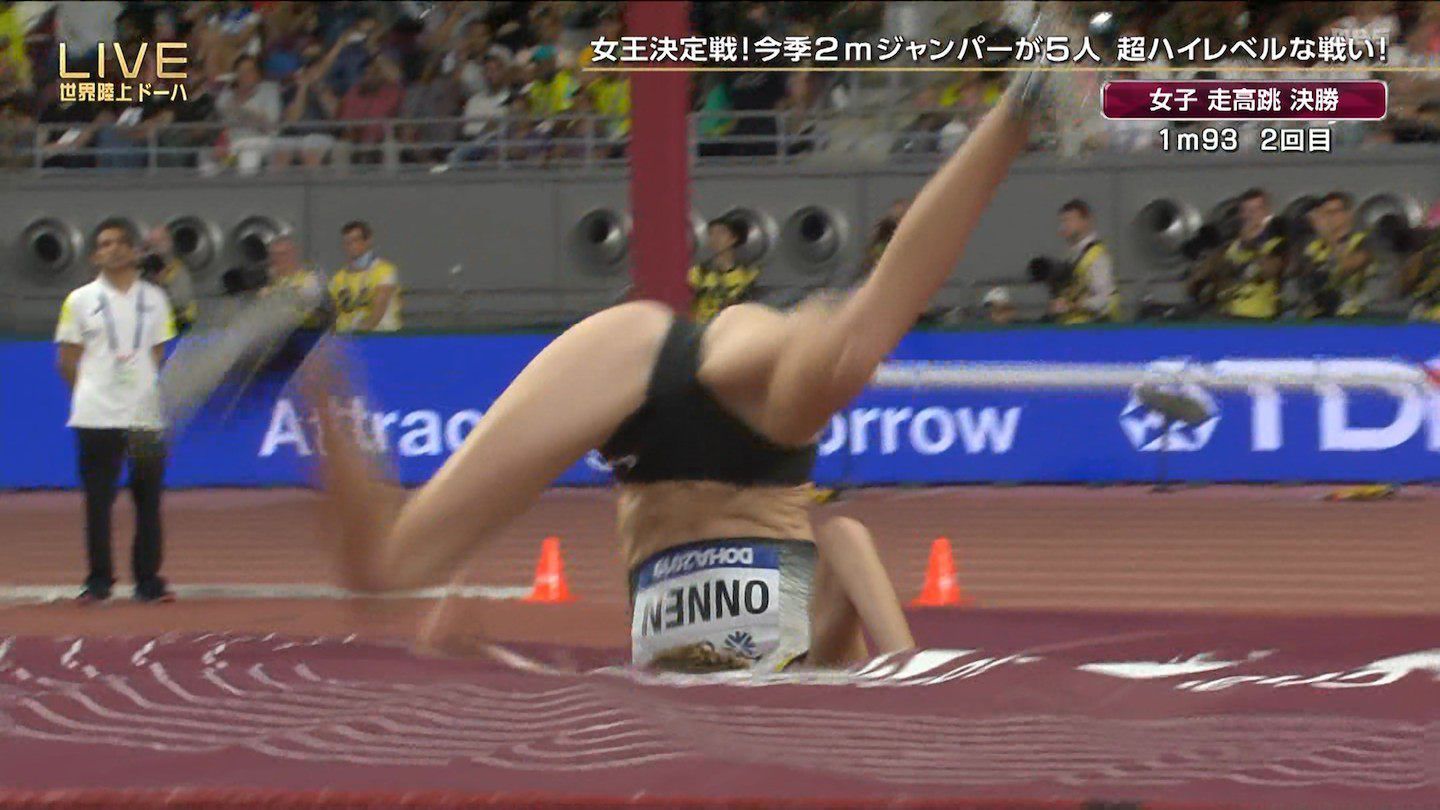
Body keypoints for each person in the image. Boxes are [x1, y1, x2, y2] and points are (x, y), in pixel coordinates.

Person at [296, 57, 1069, 672]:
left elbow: (604, 694)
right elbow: (848, 543)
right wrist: (912, 676)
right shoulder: (823, 700)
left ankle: (311, 364)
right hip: (755, 444)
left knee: (385, 571)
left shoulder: (689, 734)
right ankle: (1022, 104)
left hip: (639, 395)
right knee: (853, 345)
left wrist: (481, 655)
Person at [54, 219, 177, 605]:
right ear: (95, 255)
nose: (115, 248)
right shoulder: (79, 300)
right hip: (96, 415)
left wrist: (136, 387)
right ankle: (98, 580)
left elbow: (158, 352)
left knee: (148, 501)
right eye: (106, 243)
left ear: (135, 251)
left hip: (144, 415)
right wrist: (91, 392)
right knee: (98, 502)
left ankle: (148, 581)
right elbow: (67, 359)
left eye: (123, 242)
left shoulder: (155, 299)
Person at [1186, 188, 1287, 320]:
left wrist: (1251, 245)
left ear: (1267, 213)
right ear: (1241, 214)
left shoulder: (1277, 243)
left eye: (1257, 210)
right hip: (1228, 316)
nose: (1251, 216)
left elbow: (1270, 271)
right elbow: (1199, 280)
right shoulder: (1228, 247)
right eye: (1247, 210)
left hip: (1260, 318)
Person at [1297, 191, 1374, 319]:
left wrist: (1328, 237)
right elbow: (1304, 280)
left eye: (1334, 212)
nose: (1329, 219)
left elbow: (1347, 266)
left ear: (1349, 214)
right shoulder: (1315, 247)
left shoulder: (1364, 240)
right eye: (1325, 214)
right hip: (1323, 317)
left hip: (1356, 316)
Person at [1048, 198, 1120, 324]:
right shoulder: (1072, 255)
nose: (1063, 226)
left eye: (1069, 220)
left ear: (1086, 221)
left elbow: (1105, 298)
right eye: (1062, 221)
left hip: (1092, 329)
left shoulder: (1096, 256)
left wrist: (1072, 306)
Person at [328, 220, 401, 332]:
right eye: (347, 242)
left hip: (379, 337)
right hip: (346, 338)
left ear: (368, 241)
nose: (351, 246)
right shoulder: (337, 279)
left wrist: (356, 335)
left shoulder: (384, 271)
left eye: (355, 240)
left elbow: (377, 314)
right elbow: (332, 316)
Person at [687, 218, 760, 323]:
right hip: (699, 328)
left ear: (733, 238)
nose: (715, 238)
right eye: (711, 234)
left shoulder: (749, 275)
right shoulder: (699, 272)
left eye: (720, 233)